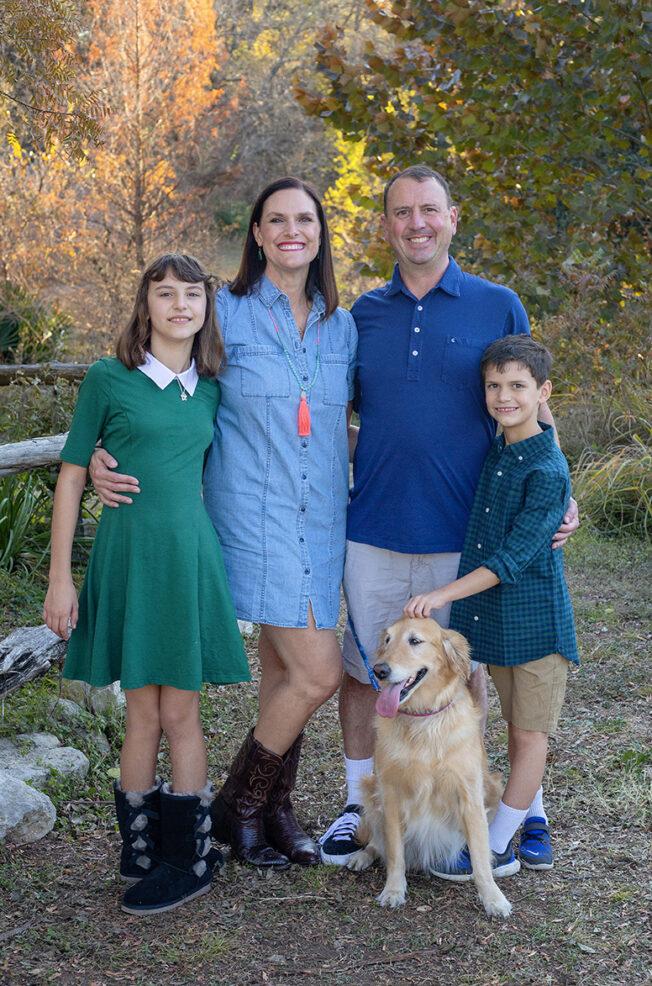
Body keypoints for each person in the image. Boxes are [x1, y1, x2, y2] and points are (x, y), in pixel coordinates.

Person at [88, 179, 358, 871]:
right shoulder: (225, 313)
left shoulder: (342, 325)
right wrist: (99, 452)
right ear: (258, 235)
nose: (292, 230)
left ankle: (271, 813)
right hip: (249, 517)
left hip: (323, 517)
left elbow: (353, 421)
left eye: (305, 219)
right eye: (276, 220)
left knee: (282, 668)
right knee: (318, 672)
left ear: (320, 232)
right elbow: (160, 374)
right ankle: (238, 802)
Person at [318, 165, 578, 865]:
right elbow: (334, 415)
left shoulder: (497, 305)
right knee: (365, 671)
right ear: (385, 226)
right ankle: (360, 803)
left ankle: (512, 811)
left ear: (453, 218)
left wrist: (562, 489)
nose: (416, 223)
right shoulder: (361, 317)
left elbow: (529, 401)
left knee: (467, 674)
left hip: (469, 536)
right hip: (373, 528)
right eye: (401, 212)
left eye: (429, 210)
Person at [43, 254, 250, 915]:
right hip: (128, 558)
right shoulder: (110, 378)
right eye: (167, 294)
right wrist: (59, 580)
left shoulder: (213, 386)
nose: (181, 305)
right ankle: (137, 846)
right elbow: (74, 473)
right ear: (146, 304)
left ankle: (188, 854)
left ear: (206, 308)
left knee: (179, 712)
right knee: (140, 713)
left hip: (187, 559)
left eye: (194, 295)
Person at [404, 334, 578, 876]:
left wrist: (440, 595)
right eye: (495, 386)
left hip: (538, 625)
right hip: (502, 624)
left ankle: (498, 847)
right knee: (515, 727)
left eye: (518, 387)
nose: (505, 397)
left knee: (530, 735)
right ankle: (520, 822)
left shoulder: (546, 470)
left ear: (542, 391)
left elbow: (511, 558)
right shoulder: (506, 445)